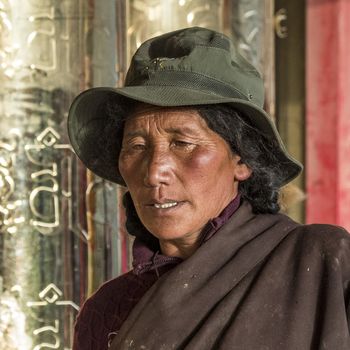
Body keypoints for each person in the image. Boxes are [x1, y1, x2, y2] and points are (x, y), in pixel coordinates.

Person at [68, 27, 350, 350]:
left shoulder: (324, 266)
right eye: (136, 145)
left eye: (183, 143)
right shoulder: (106, 313)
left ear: (242, 158)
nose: (155, 171)